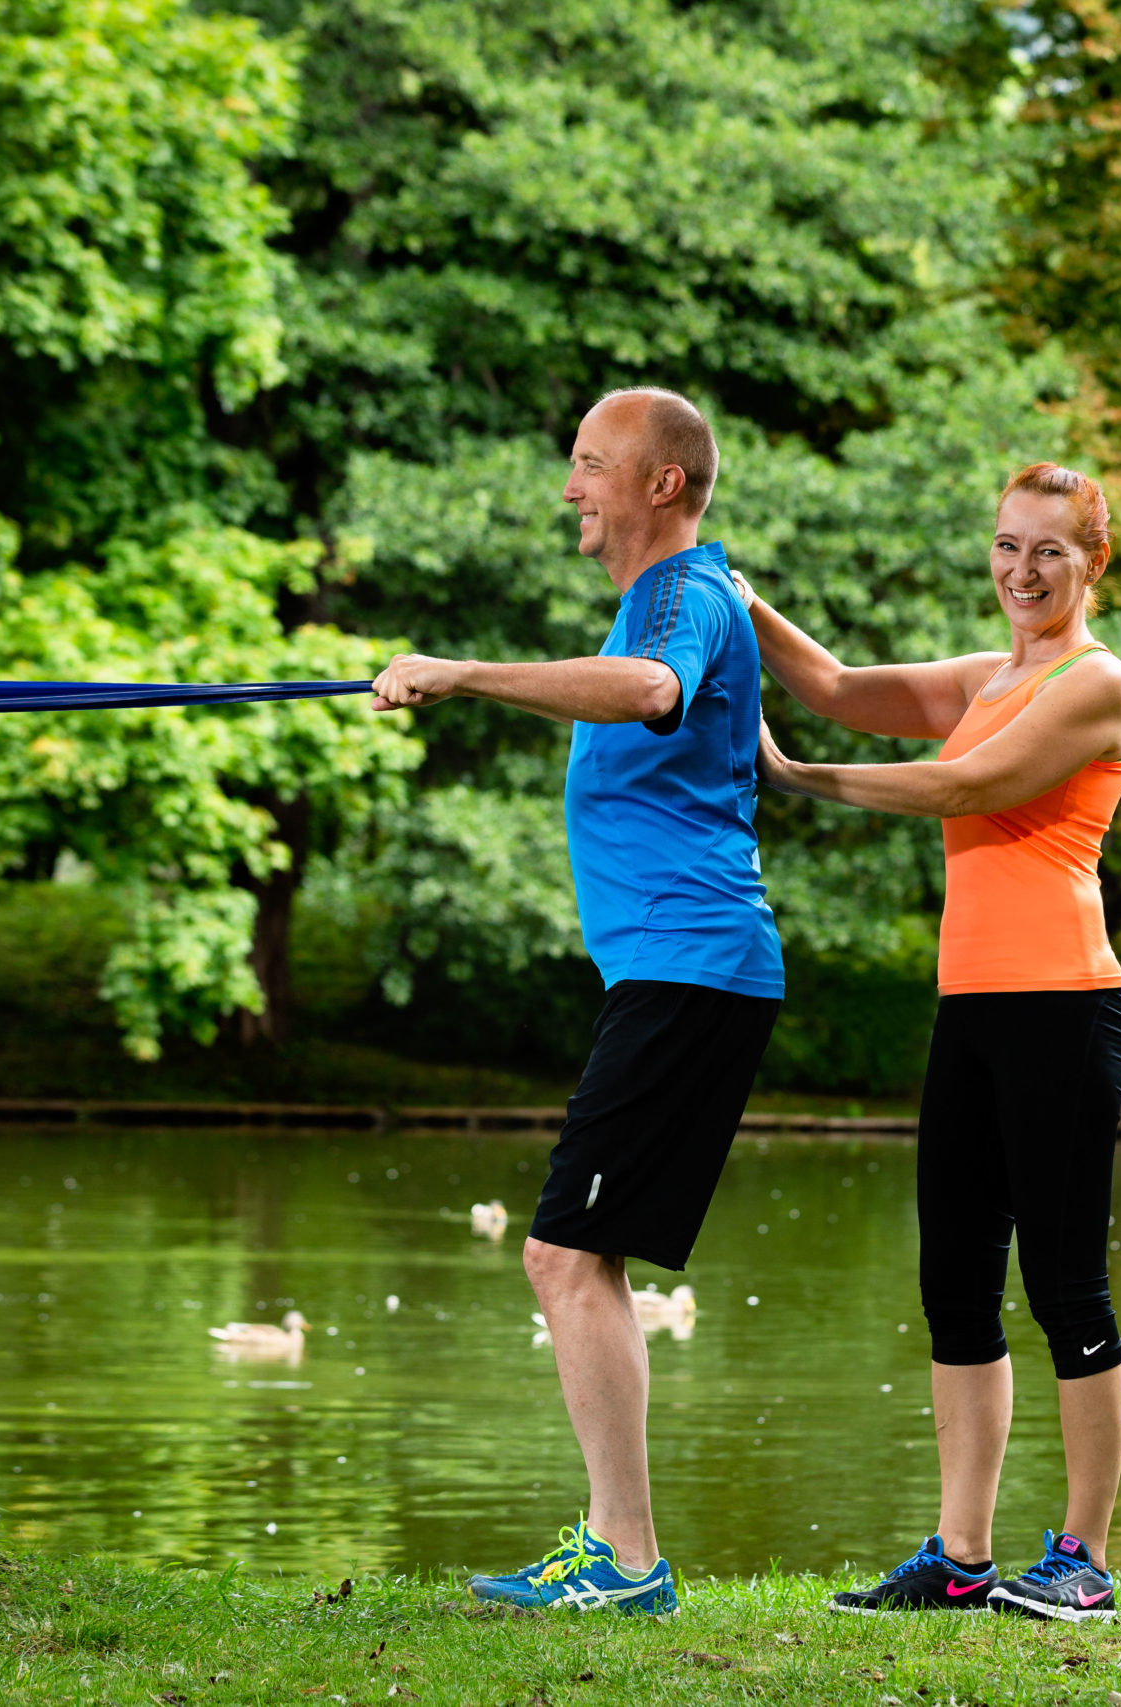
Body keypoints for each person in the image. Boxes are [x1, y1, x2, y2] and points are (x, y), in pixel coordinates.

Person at [371, 388, 781, 1615]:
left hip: (689, 968)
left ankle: (628, 1561)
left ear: (663, 483)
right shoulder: (683, 597)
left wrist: (465, 674)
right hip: (675, 971)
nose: (570, 490)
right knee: (571, 1254)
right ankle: (621, 1551)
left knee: (561, 1253)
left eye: (591, 465)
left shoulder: (679, 597)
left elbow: (649, 689)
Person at [736, 462, 1121, 1623]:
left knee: (1067, 1289)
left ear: (1090, 563)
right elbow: (834, 681)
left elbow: (965, 788)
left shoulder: (1096, 684)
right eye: (1007, 545)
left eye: (1048, 552)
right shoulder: (982, 677)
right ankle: (962, 1557)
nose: (1021, 570)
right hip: (970, 1008)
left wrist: (798, 777)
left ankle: (1084, 1560)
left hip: (1063, 1007)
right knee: (955, 1286)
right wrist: (730, 592)